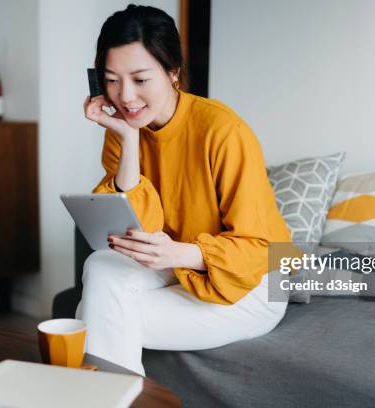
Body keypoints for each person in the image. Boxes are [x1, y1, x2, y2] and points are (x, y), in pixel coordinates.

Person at [76, 4, 291, 376]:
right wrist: (128, 139)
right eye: (111, 80)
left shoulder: (222, 131)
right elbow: (139, 230)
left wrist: (178, 252)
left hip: (254, 282)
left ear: (173, 72)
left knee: (94, 316)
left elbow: (258, 250)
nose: (125, 97)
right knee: (100, 267)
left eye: (140, 79)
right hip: (175, 259)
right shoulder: (124, 129)